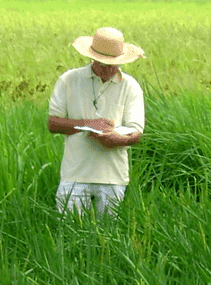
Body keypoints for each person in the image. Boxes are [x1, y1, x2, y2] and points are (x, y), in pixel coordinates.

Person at [47, 27, 146, 217]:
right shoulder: (69, 80)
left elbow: (135, 133)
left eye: (114, 64)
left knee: (109, 236)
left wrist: (117, 139)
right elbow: (53, 124)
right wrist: (89, 124)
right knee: (70, 233)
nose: (109, 69)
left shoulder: (131, 86)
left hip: (113, 178)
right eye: (104, 64)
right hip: (74, 175)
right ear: (93, 59)